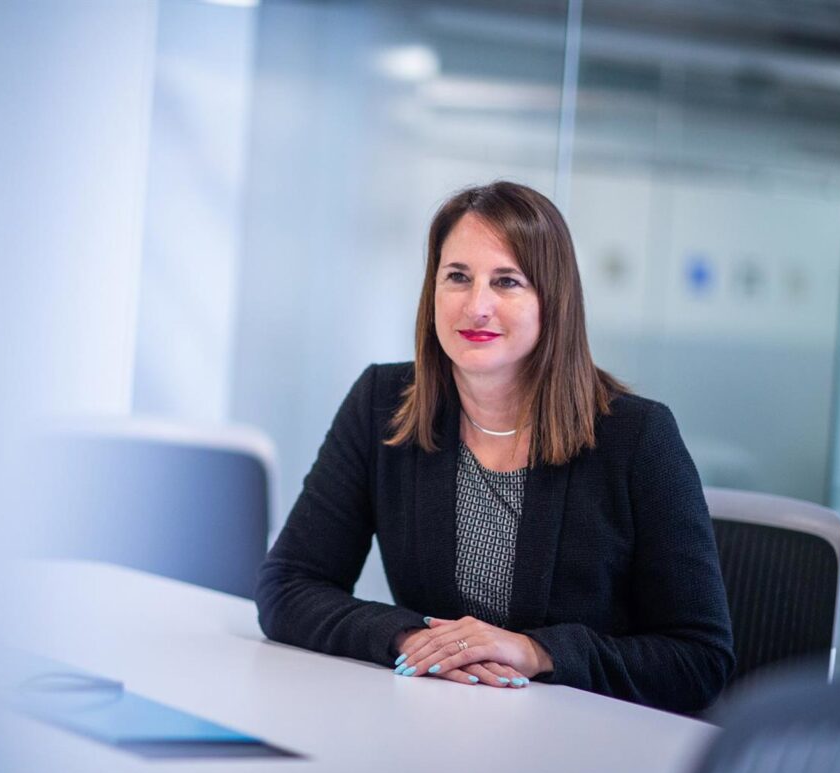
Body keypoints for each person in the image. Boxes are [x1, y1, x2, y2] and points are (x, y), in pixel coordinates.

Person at [254, 181, 734, 714]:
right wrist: (415, 641)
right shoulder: (381, 404)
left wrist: (535, 652)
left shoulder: (638, 438)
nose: (476, 305)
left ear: (552, 300)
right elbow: (288, 587)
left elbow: (699, 659)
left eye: (507, 282)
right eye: (457, 277)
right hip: (434, 725)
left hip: (583, 747)